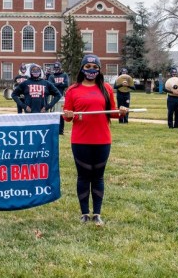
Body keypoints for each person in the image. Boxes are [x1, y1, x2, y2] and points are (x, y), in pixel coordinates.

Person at [62, 54, 128, 227]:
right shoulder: (72, 90)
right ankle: (84, 213)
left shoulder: (106, 88)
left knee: (98, 177)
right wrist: (67, 114)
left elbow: (112, 112)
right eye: (88, 67)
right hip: (80, 140)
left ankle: (97, 214)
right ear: (82, 68)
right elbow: (67, 117)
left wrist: (121, 111)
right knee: (83, 177)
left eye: (95, 67)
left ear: (99, 70)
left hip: (102, 139)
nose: (91, 70)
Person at [48, 61, 70, 134]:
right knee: (53, 114)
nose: (56, 69)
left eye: (58, 67)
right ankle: (53, 130)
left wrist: (55, 84)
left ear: (60, 68)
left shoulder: (64, 75)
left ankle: (61, 131)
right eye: (55, 68)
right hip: (53, 97)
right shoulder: (51, 76)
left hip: (62, 97)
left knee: (61, 114)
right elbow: (50, 86)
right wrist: (61, 83)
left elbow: (66, 84)